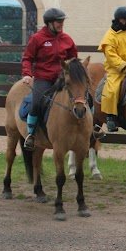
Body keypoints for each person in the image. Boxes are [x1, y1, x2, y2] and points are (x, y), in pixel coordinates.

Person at [21, 8, 78, 151]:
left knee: (83, 98)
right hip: (44, 78)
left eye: (62, 21)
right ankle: (31, 135)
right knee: (37, 103)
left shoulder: (67, 39)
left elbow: (74, 60)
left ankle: (91, 129)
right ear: (49, 23)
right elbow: (27, 58)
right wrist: (27, 74)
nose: (61, 24)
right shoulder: (37, 39)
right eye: (59, 21)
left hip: (62, 78)